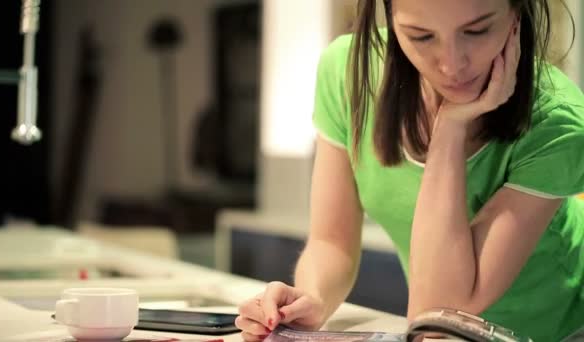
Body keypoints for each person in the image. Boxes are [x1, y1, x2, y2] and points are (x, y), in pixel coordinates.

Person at [235, 0, 584, 341]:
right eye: (421, 36)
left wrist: (449, 129)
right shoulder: (349, 72)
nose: (451, 64)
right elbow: (332, 241)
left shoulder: (557, 120)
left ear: (516, 15)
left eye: (477, 30)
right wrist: (311, 299)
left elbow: (440, 309)